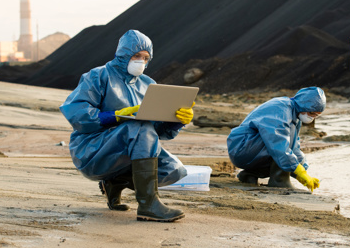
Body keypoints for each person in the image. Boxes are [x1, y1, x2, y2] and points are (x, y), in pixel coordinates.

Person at [59, 29, 194, 222]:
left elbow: (154, 132)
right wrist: (115, 116)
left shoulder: (148, 84)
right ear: (123, 54)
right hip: (92, 149)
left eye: (146, 58)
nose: (141, 61)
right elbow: (76, 113)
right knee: (138, 127)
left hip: (128, 150)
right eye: (136, 55)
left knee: (174, 170)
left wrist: (176, 121)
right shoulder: (97, 76)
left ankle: (115, 182)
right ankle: (148, 204)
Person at [226, 87, 325, 193]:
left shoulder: (295, 114)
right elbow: (278, 144)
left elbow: (294, 147)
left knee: (286, 151)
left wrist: (302, 171)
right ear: (303, 105)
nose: (312, 118)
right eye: (311, 113)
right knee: (280, 147)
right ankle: (279, 180)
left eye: (316, 115)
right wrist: (297, 169)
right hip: (241, 147)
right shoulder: (282, 110)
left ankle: (250, 174)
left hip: (250, 149)